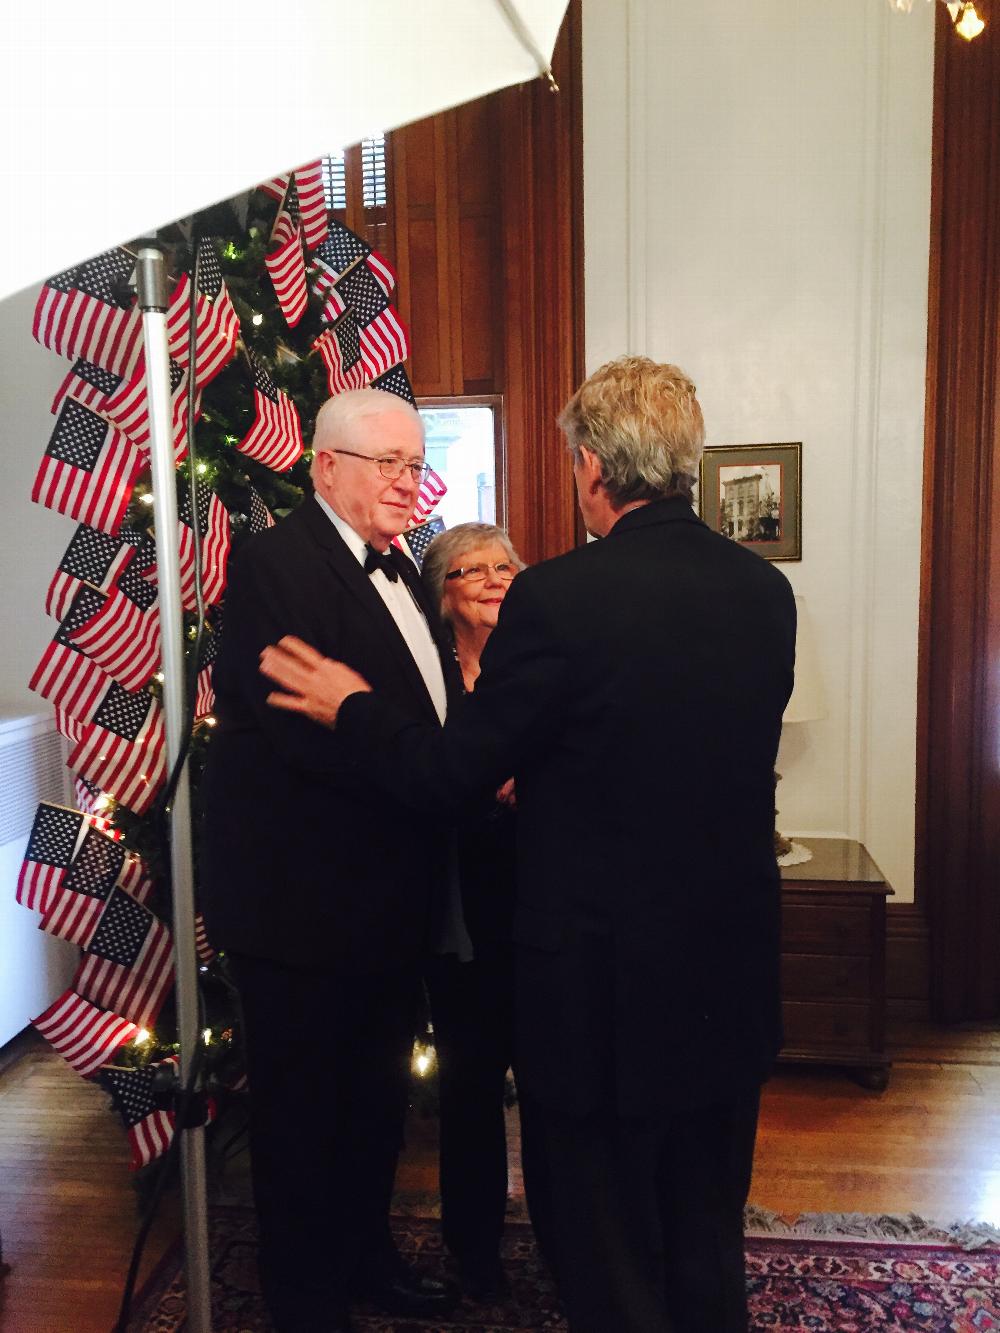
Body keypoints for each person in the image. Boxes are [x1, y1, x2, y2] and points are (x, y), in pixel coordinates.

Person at [258, 356, 797, 1333]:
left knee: (605, 1241)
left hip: (600, 983)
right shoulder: (762, 593)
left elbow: (448, 772)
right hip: (726, 967)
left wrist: (354, 706)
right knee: (704, 1230)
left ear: (590, 467)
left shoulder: (558, 598)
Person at [199, 388, 460, 1333]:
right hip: (303, 913)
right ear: (326, 467)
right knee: (306, 1121)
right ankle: (306, 1303)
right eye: (385, 462)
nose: (406, 482)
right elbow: (304, 736)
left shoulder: (403, 571)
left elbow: (418, 721)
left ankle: (366, 1260)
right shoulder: (279, 564)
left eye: (415, 462)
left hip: (389, 908)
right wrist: (435, 777)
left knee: (374, 1108)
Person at [419, 522, 523, 1297]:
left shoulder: (540, 664)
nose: (492, 578)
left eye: (504, 566)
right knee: (471, 1084)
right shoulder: (423, 674)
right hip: (458, 908)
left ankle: (569, 1236)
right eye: (470, 569)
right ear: (442, 591)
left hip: (545, 900)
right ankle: (474, 1250)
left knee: (558, 1087)